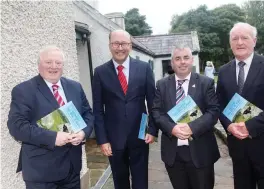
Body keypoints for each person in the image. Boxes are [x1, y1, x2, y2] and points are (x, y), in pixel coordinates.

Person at [7, 46, 94, 189]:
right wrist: (53, 138)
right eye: (48, 62)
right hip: (41, 173)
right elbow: (17, 126)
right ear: (39, 65)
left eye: (58, 63)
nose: (54, 66)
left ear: (63, 66)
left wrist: (83, 132)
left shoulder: (75, 87)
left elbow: (88, 114)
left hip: (72, 169)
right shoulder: (24, 90)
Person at [92, 29, 158, 189]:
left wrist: (153, 130)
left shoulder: (144, 69)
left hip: (140, 135)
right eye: (116, 43)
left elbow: (153, 102)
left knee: (141, 180)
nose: (120, 48)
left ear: (130, 46)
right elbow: (98, 109)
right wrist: (102, 139)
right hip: (114, 138)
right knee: (119, 181)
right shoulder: (100, 72)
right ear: (109, 45)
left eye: (124, 44)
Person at [152, 44, 220, 189]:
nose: (182, 62)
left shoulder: (205, 83)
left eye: (186, 57)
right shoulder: (162, 85)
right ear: (172, 63)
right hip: (173, 153)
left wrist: (192, 127)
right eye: (178, 58)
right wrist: (172, 129)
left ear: (191, 60)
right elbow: (157, 113)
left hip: (201, 151)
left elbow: (213, 111)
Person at [216, 22, 264, 189]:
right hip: (237, 147)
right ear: (230, 42)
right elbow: (219, 104)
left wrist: (249, 125)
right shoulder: (223, 71)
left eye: (245, 37)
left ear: (254, 40)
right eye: (235, 38)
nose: (239, 42)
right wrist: (229, 126)